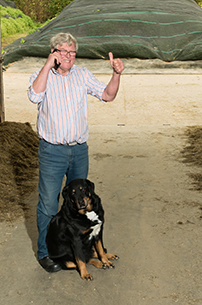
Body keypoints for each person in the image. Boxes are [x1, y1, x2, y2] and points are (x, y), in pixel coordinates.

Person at [28, 32, 124, 272]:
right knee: (49, 205)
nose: (68, 56)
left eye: (71, 52)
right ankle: (45, 253)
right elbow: (34, 95)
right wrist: (48, 64)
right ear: (53, 53)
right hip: (52, 151)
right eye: (62, 51)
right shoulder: (42, 76)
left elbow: (107, 95)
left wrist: (116, 74)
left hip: (79, 150)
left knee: (80, 204)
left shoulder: (82, 75)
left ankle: (81, 249)